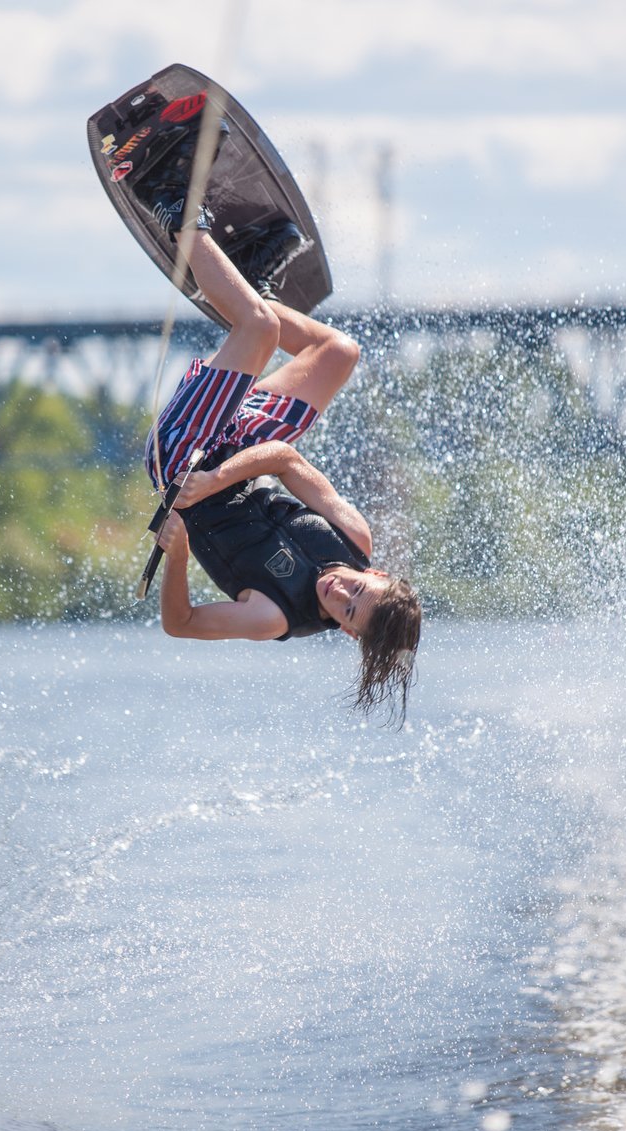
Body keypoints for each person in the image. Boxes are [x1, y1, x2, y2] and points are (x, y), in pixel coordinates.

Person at [136, 107, 421, 722]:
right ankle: (247, 283)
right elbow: (287, 461)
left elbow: (182, 624)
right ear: (378, 573)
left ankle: (171, 203)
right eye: (358, 588)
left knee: (260, 331)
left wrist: (178, 554)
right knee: (338, 352)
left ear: (346, 631)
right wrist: (224, 476)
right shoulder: (355, 538)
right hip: (230, 457)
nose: (340, 591)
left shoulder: (273, 616)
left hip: (182, 458)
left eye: (346, 610)